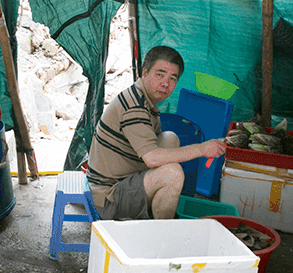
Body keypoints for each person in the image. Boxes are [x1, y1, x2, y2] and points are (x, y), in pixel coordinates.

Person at [86, 45, 227, 220]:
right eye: (159, 75)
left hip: (120, 180)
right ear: (144, 73)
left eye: (172, 78)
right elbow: (152, 158)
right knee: (173, 174)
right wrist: (202, 149)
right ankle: (160, 232)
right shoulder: (134, 107)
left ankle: (156, 209)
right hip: (107, 199)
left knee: (169, 139)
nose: (165, 84)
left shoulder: (144, 99)